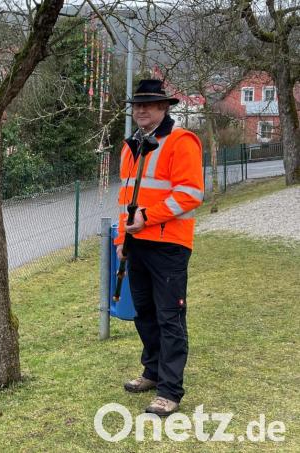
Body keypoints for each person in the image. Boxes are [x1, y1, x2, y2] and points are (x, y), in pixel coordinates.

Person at [115, 79, 204, 416]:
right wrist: (123, 239)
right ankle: (152, 372)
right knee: (145, 314)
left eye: (149, 104)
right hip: (137, 244)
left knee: (169, 318)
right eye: (137, 105)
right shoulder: (130, 146)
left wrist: (148, 218)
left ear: (165, 107)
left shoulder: (181, 142)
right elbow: (126, 200)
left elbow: (190, 193)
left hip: (169, 246)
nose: (141, 110)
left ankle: (170, 390)